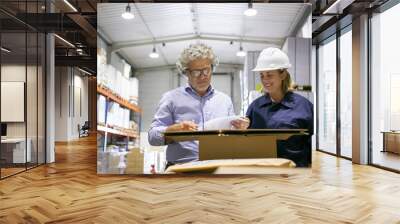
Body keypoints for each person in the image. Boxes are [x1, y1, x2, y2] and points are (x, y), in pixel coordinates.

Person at [148, 43, 248, 169]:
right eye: (196, 72)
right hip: (181, 169)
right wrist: (172, 131)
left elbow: (232, 138)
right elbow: (152, 137)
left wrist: (240, 130)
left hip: (218, 168)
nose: (203, 76)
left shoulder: (225, 100)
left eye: (206, 70)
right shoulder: (171, 98)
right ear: (186, 72)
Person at [246, 47, 313, 167]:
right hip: (261, 173)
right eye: (262, 75)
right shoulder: (254, 107)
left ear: (283, 74)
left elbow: (311, 146)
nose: (265, 80)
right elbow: (246, 142)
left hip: (295, 174)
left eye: (269, 75)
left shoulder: (304, 107)